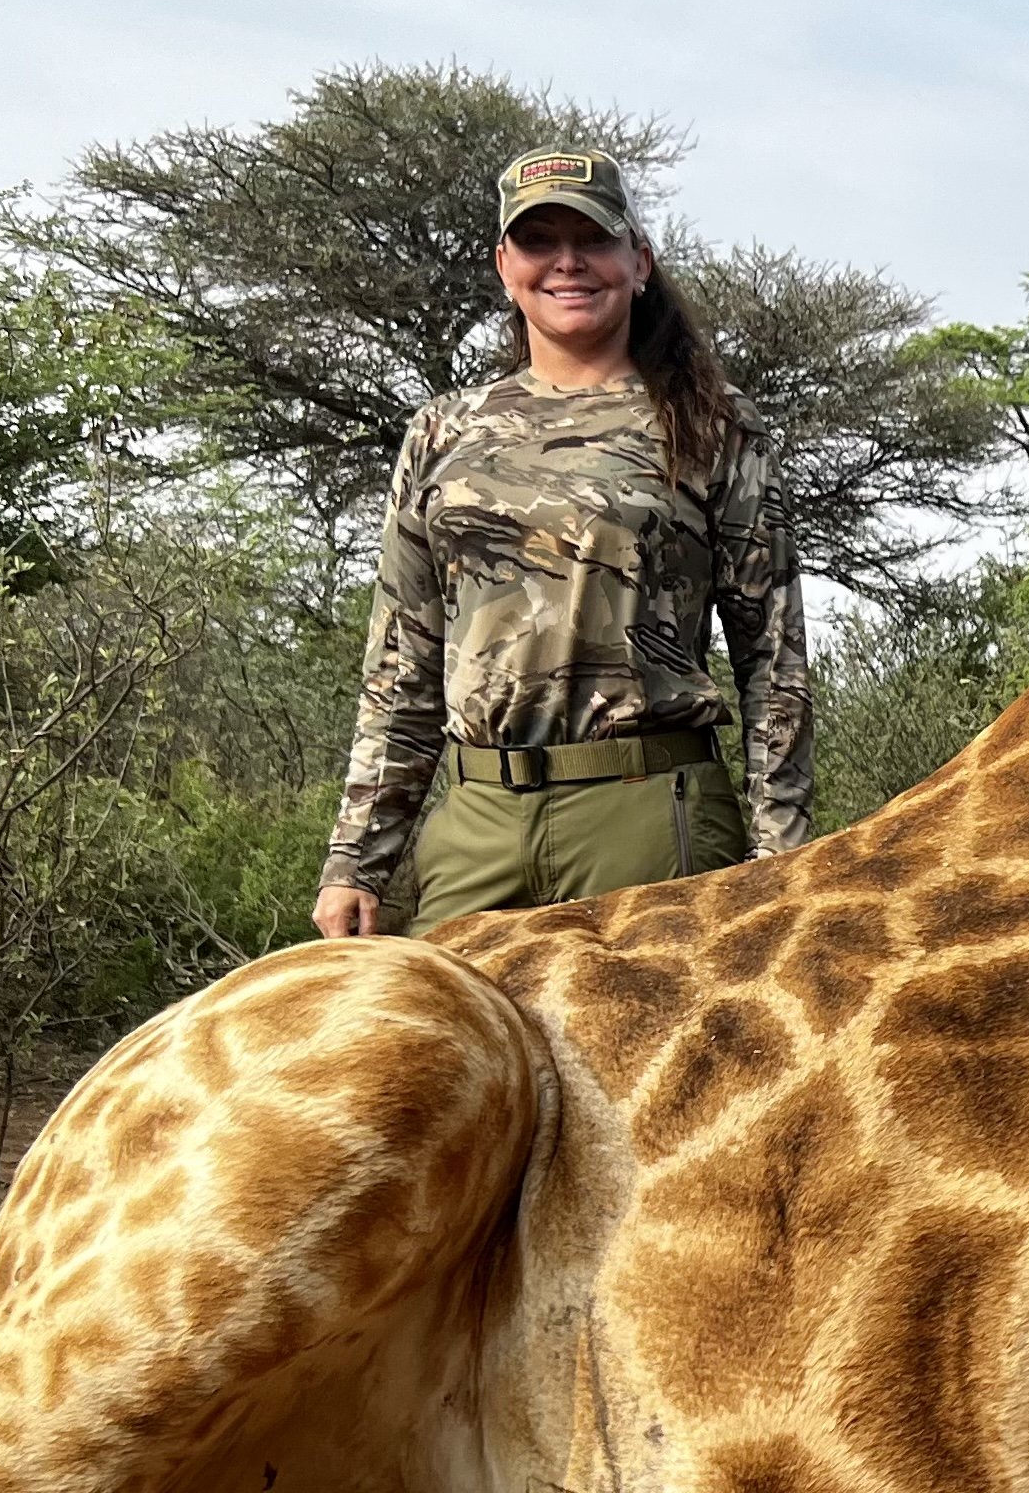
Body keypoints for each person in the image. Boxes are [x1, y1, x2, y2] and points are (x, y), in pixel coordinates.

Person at [310, 148, 810, 937]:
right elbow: (403, 664)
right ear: (505, 265)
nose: (568, 263)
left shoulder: (714, 424)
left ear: (637, 261)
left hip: (650, 816)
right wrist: (356, 861)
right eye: (540, 241)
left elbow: (772, 660)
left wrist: (784, 855)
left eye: (594, 239)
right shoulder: (443, 431)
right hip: (476, 825)